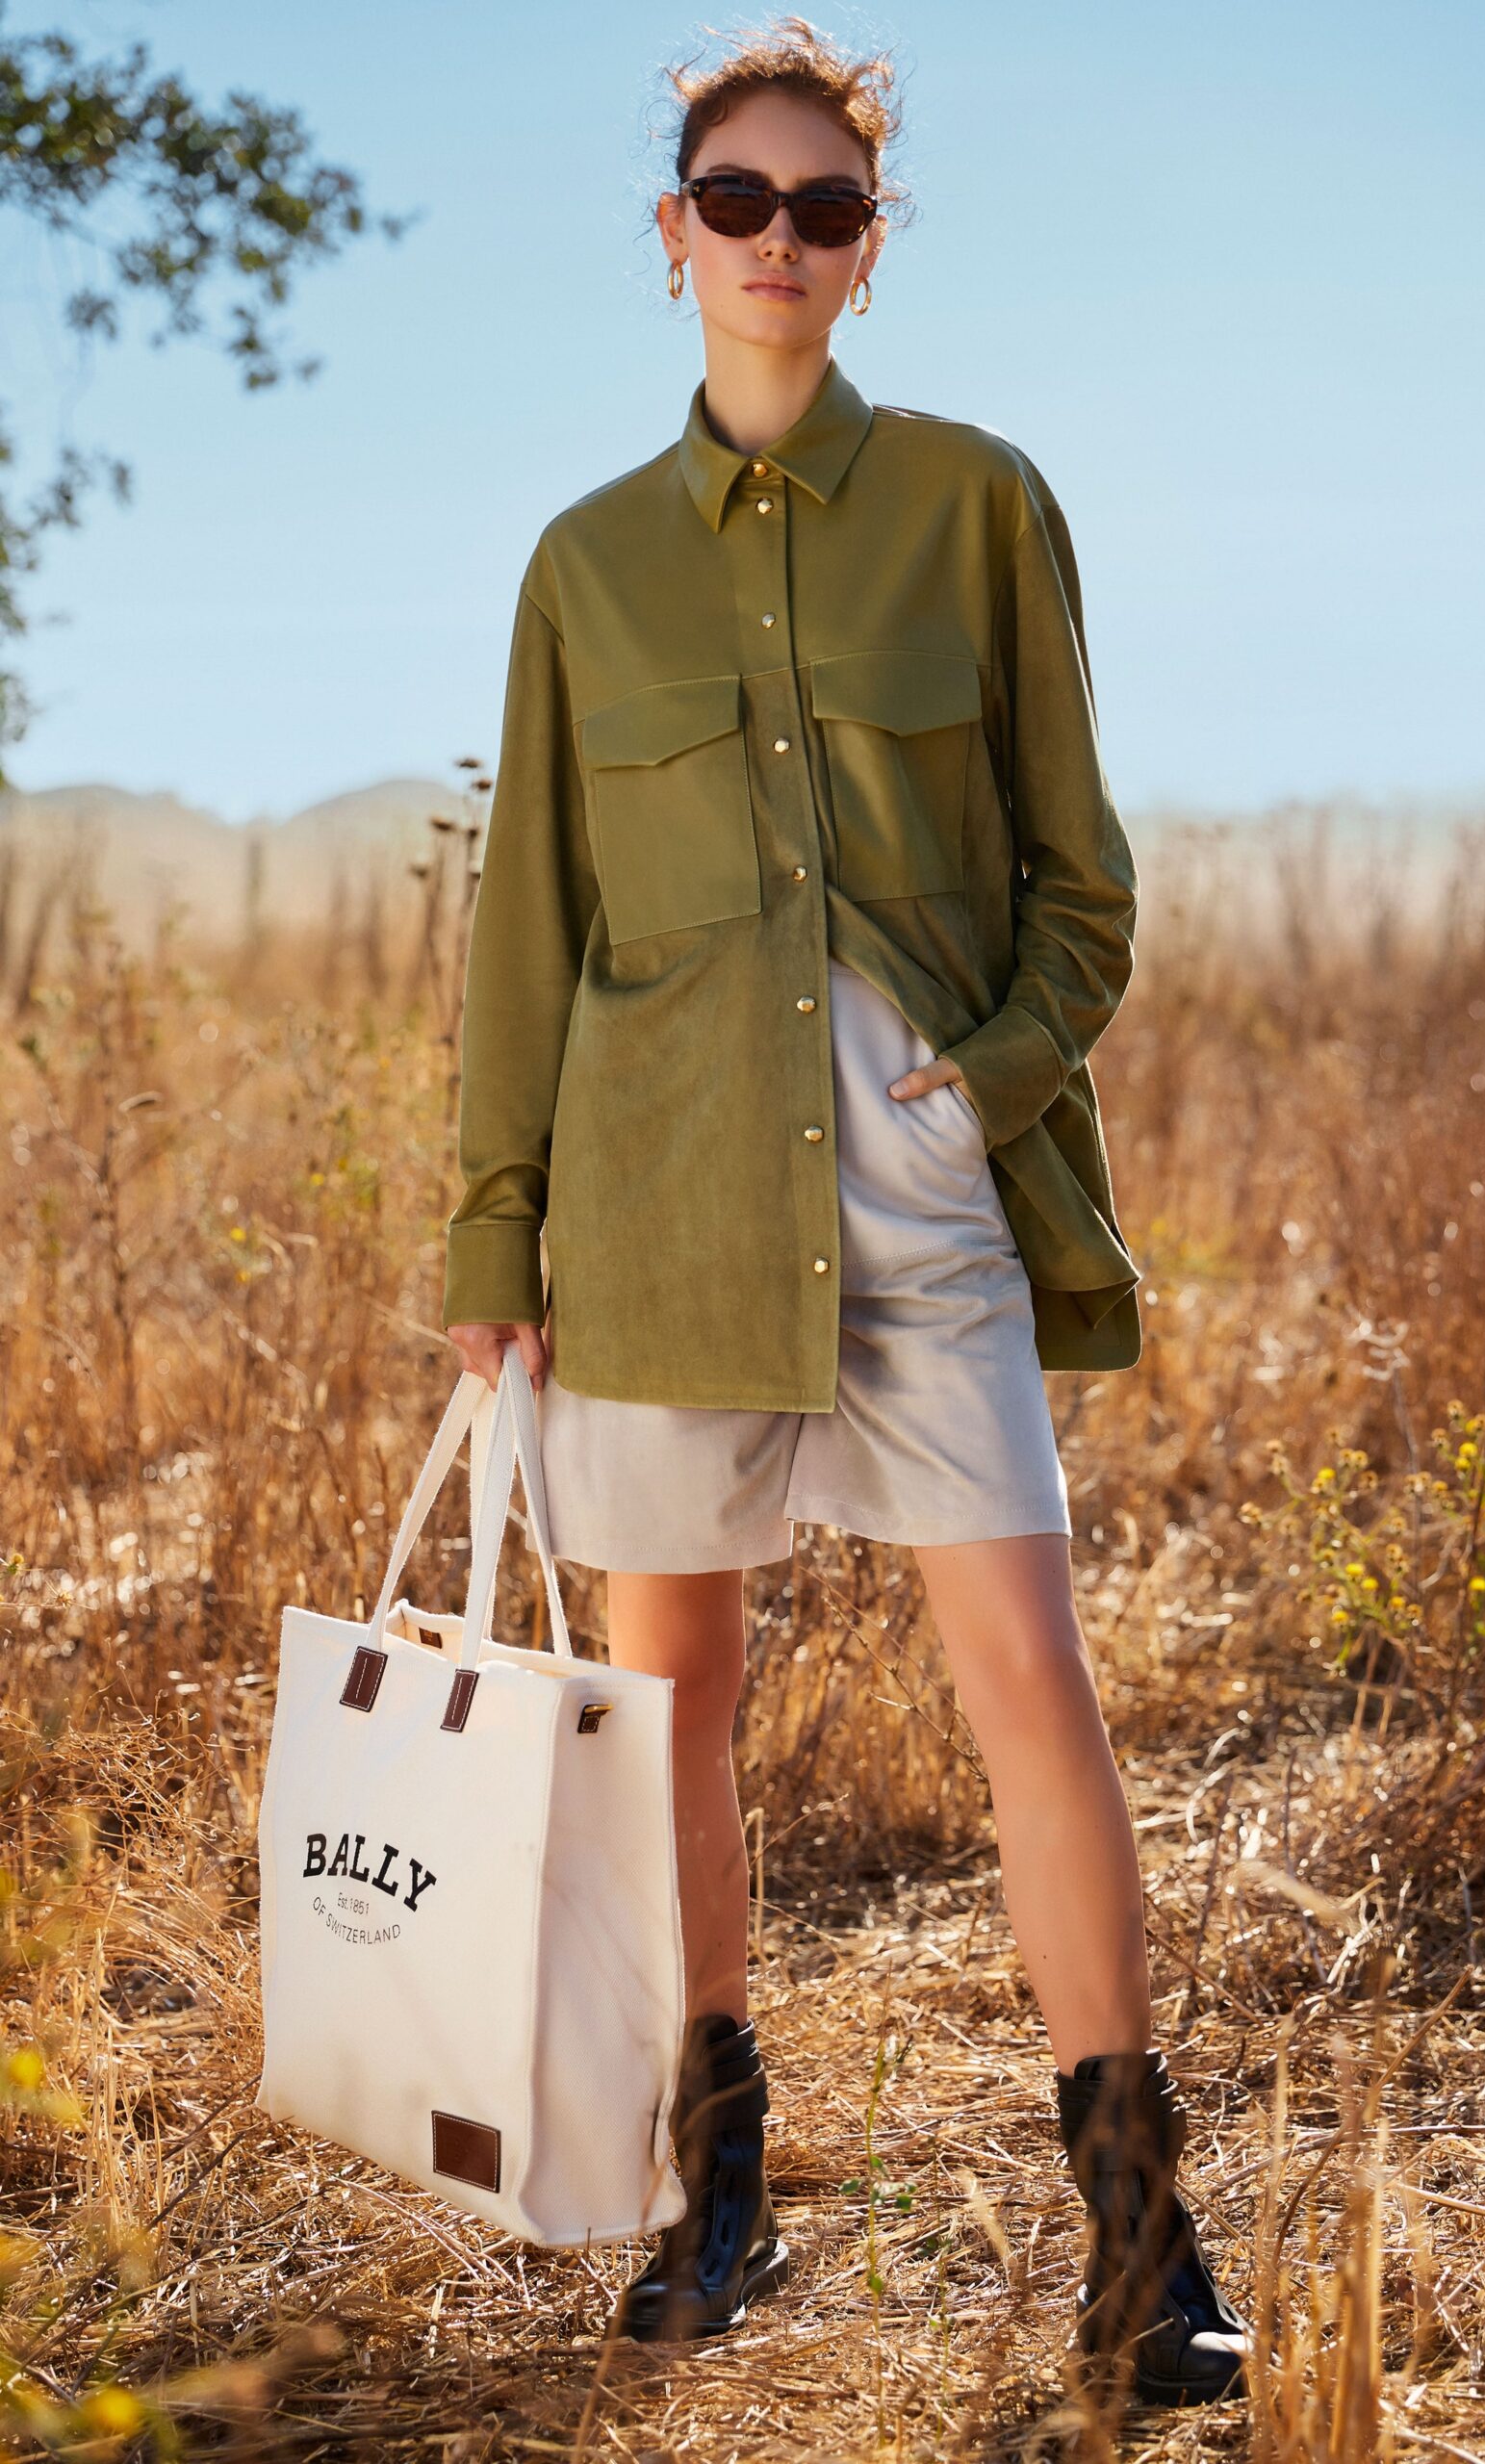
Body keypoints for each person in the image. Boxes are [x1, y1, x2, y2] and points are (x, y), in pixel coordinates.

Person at [443, 12, 1252, 2406]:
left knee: (1033, 1689)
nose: (776, 242)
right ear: (670, 239)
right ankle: (718, 2205)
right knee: (668, 1714)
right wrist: (498, 1246)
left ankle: (1141, 2244)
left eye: (823, 208)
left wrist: (980, 1071)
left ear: (866, 253)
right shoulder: (581, 567)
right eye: (736, 203)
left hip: (913, 1191)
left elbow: (1081, 889)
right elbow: (526, 930)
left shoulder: (981, 507)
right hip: (660, 1194)